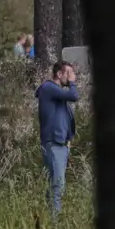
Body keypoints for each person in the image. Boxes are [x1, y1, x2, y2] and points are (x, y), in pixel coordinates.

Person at [35, 61, 78, 218]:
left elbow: (65, 117)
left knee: (55, 186)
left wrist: (68, 140)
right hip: (54, 144)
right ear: (59, 74)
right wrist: (72, 83)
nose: (72, 77)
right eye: (68, 73)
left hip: (60, 145)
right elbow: (74, 95)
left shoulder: (56, 92)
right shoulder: (49, 88)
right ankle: (55, 227)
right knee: (57, 187)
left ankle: (49, 220)